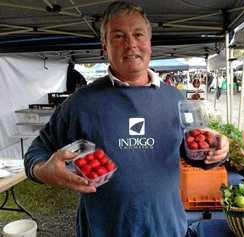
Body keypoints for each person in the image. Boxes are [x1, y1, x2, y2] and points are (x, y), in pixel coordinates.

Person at [24, 2, 229, 237]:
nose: (131, 44)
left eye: (138, 35)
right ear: (105, 46)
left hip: (166, 229)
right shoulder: (81, 103)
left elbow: (197, 155)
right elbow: (35, 152)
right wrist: (44, 171)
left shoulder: (174, 98)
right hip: (103, 230)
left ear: (149, 43)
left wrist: (216, 152)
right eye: (118, 36)